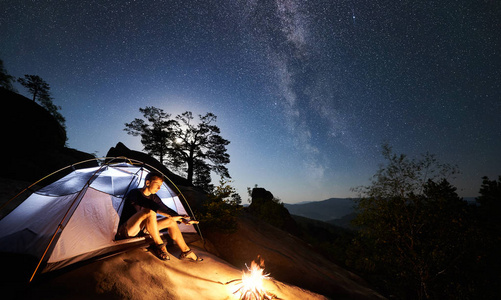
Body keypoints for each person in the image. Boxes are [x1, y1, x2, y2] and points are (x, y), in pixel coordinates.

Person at [115, 172, 202, 262]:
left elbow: (166, 209)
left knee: (171, 221)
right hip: (127, 231)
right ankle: (160, 246)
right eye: (157, 185)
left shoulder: (154, 197)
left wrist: (183, 219)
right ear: (148, 183)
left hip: (143, 229)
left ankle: (186, 251)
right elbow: (148, 204)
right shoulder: (135, 193)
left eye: (160, 185)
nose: (159, 188)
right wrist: (170, 215)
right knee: (149, 211)